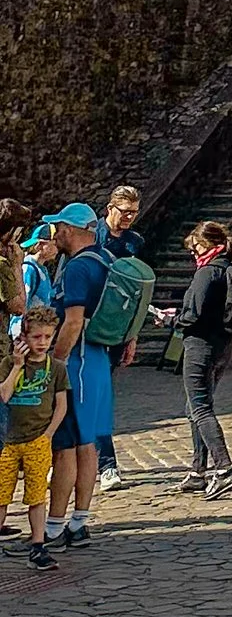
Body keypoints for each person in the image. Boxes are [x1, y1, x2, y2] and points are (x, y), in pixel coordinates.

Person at [40, 203, 111, 551]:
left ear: (70, 228)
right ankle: (79, 522)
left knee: (66, 447)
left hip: (76, 363)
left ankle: (53, 529)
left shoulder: (79, 268)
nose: (57, 234)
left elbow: (74, 321)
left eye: (59, 228)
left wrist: (56, 362)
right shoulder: (106, 259)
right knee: (89, 446)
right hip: (97, 360)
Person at [170, 224, 232, 493]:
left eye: (196, 248)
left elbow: (194, 314)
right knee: (196, 407)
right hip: (223, 345)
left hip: (201, 346)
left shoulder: (207, 272)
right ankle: (197, 470)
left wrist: (171, 320)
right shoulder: (231, 267)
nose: (194, 254)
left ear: (208, 245)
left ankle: (224, 469)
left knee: (200, 408)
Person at [2, 305, 65, 570]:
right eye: (36, 337)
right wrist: (17, 366)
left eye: (47, 337)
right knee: (2, 495)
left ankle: (38, 545)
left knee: (36, 495)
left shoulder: (56, 368)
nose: (42, 343)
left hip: (38, 440)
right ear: (24, 338)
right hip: (7, 441)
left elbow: (61, 404)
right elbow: (4, 395)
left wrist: (48, 434)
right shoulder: (7, 363)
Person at [92, 185, 146, 491]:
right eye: (124, 212)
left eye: (134, 213)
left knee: (99, 399)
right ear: (110, 208)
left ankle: (107, 466)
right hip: (84, 326)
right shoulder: (91, 237)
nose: (128, 218)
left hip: (114, 331)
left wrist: (132, 335)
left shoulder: (134, 242)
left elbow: (138, 290)